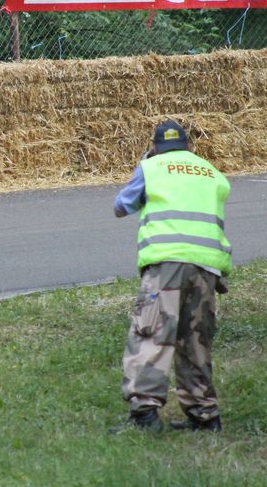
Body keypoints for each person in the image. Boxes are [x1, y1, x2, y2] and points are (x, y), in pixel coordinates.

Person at [110, 119, 231, 433]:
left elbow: (121, 206)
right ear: (188, 146)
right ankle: (204, 416)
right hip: (207, 266)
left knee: (151, 333)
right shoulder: (210, 171)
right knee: (195, 339)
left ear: (155, 148)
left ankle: (144, 415)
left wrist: (142, 166)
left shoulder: (151, 167)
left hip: (167, 265)